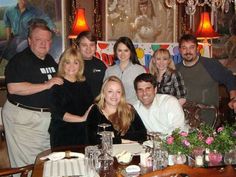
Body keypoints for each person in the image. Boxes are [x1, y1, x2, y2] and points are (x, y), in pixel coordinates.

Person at [2, 19, 63, 168]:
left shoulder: (49, 60)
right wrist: (46, 85)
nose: (43, 43)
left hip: (44, 121)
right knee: (29, 165)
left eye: (47, 40)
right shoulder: (19, 61)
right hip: (25, 120)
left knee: (44, 162)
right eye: (38, 40)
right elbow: (14, 88)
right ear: (29, 41)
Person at [176, 34, 236, 124]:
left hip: (208, 121)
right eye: (184, 48)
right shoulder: (175, 69)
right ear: (180, 50)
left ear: (197, 49)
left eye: (191, 47)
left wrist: (233, 98)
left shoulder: (210, 65)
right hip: (181, 121)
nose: (188, 51)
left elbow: (229, 78)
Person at [49, 48, 93, 148]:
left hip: (83, 134)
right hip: (63, 135)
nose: (71, 66)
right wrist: (82, 119)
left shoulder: (84, 84)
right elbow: (58, 112)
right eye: (68, 62)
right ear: (62, 64)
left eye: (76, 62)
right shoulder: (57, 84)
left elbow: (91, 106)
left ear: (80, 65)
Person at [86, 76, 147, 145]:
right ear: (103, 93)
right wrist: (121, 141)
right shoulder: (96, 110)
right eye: (110, 91)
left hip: (129, 153)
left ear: (122, 94)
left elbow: (143, 135)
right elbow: (92, 140)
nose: (114, 95)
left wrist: (113, 136)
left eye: (118, 92)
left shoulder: (129, 109)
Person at [104, 36, 146, 105]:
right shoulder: (109, 71)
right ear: (116, 52)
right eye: (120, 50)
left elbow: (143, 93)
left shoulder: (140, 70)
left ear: (131, 51)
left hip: (132, 109)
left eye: (126, 50)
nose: (122, 54)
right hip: (113, 109)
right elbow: (104, 92)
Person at [75, 31, 107, 99]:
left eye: (91, 45)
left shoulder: (100, 65)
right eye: (84, 45)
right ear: (78, 47)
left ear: (95, 47)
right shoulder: (72, 65)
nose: (88, 48)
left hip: (97, 106)